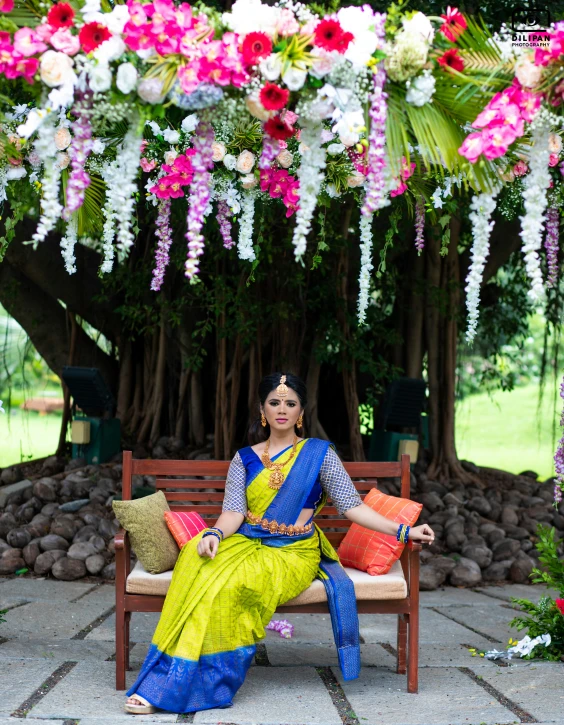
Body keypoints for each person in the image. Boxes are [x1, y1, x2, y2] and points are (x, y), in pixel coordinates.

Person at [125, 372, 434, 714]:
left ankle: (207, 683)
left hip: (294, 553)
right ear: (263, 409)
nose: (282, 409)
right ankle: (168, 677)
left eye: (290, 403)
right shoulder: (244, 458)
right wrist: (213, 533)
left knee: (232, 587)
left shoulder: (320, 455)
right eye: (275, 403)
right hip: (247, 542)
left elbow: (352, 506)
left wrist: (405, 531)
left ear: (301, 411)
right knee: (198, 567)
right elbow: (233, 514)